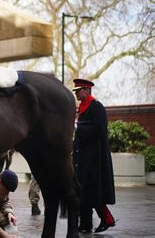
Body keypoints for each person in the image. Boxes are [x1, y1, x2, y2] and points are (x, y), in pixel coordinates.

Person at [72, 78, 116, 233]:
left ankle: (101, 220)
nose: (76, 93)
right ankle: (87, 224)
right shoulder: (82, 108)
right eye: (76, 91)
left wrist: (78, 128)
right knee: (84, 192)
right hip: (82, 157)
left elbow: (99, 130)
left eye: (78, 91)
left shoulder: (97, 107)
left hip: (95, 158)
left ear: (87, 90)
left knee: (91, 192)